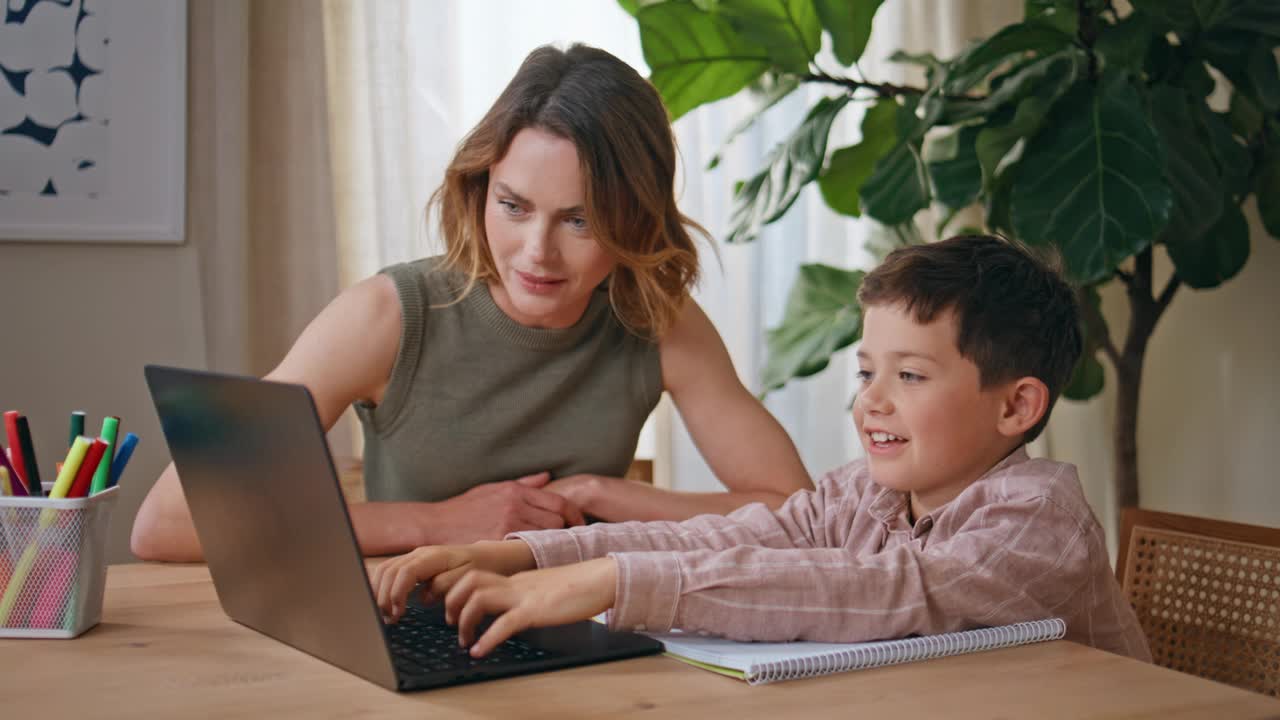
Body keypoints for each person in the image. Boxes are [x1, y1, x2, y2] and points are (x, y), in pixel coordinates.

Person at [130, 44, 812, 562]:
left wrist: (606, 497)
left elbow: (795, 512)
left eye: (579, 220)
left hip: (584, 628)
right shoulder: (388, 317)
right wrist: (439, 523)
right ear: (479, 187)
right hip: (413, 621)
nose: (536, 252)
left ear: (635, 218)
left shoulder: (656, 319)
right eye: (513, 206)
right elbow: (168, 524)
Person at [370, 234, 1153, 663]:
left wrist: (609, 581)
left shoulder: (1035, 518)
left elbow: (887, 592)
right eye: (867, 371)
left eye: (909, 375)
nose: (871, 400)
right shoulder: (867, 496)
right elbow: (736, 535)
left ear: (1017, 405)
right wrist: (528, 557)